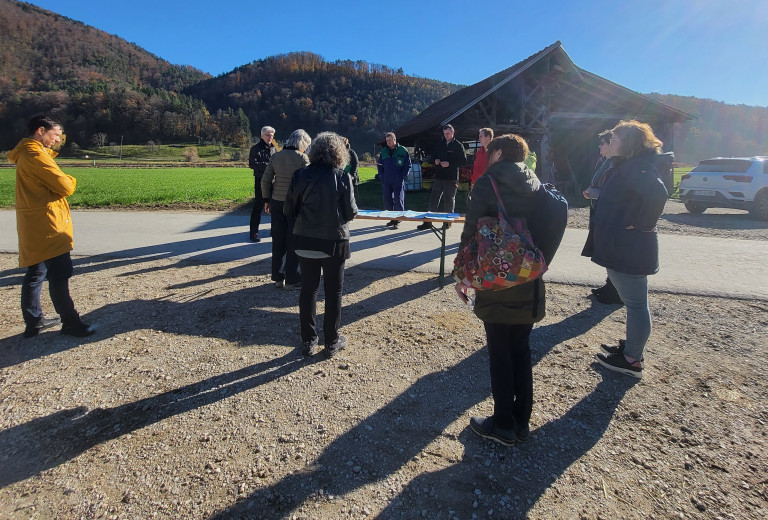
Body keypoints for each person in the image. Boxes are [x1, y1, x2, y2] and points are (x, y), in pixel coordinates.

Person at [456, 134, 551, 446]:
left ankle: (503, 425)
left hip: (496, 277)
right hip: (528, 276)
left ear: (497, 152)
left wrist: (463, 275)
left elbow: (471, 233)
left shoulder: (487, 183)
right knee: (521, 350)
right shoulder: (537, 184)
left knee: (499, 353)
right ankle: (521, 422)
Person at [592, 120, 668, 379]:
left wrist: (642, 224)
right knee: (633, 302)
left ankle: (632, 359)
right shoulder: (627, 165)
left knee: (636, 304)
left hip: (630, 247)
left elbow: (658, 195)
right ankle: (632, 350)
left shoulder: (637, 168)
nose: (609, 142)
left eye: (614, 139)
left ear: (629, 143)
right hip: (621, 245)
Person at [9, 115, 95, 338]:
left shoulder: (24, 153)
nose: (57, 140)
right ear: (40, 131)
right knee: (60, 273)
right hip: (48, 224)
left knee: (36, 272)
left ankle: (33, 322)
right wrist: (71, 178)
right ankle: (70, 322)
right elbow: (65, 186)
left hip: (32, 223)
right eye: (55, 135)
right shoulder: (36, 154)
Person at [284, 132, 358, 358]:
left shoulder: (299, 176)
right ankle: (332, 341)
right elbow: (350, 212)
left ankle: (308, 341)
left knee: (308, 290)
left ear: (313, 151)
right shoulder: (342, 177)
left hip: (305, 240)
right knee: (333, 291)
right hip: (335, 242)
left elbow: (289, 210)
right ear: (339, 153)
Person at [262, 129, 311, 289]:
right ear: (302, 143)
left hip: (276, 202)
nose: (307, 149)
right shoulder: (303, 158)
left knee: (278, 240)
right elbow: (308, 182)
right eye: (307, 145)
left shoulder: (276, 156)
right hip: (294, 205)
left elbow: (265, 180)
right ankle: (292, 279)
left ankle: (277, 277)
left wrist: (266, 200)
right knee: (293, 241)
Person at [582, 130, 623, 304]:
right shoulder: (605, 162)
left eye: (603, 143)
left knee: (613, 251)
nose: (600, 146)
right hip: (600, 210)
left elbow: (615, 192)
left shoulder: (617, 165)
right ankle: (610, 285)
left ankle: (616, 290)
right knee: (605, 249)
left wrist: (594, 193)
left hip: (609, 213)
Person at [417, 124, 466, 230]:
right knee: (433, 199)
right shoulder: (440, 144)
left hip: (451, 177)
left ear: (453, 133)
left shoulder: (458, 146)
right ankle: (428, 222)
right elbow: (433, 156)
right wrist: (435, 161)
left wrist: (449, 164)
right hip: (439, 176)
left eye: (448, 133)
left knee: (449, 200)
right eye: (444, 134)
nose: (446, 136)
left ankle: (447, 222)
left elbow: (463, 161)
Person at [377, 132, 412, 229]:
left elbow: (408, 165)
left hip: (398, 179)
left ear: (394, 140)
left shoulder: (402, 150)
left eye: (390, 140)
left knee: (398, 199)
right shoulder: (384, 151)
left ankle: (398, 219)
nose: (388, 142)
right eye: (387, 141)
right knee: (387, 200)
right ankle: (392, 219)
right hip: (387, 179)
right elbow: (380, 165)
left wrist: (403, 175)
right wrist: (381, 175)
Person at [247, 126, 276, 242]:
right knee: (258, 207)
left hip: (273, 181)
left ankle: (274, 230)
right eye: (268, 135)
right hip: (260, 181)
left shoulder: (274, 149)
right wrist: (267, 165)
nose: (270, 137)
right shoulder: (255, 149)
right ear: (262, 136)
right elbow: (252, 164)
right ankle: (254, 233)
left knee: (274, 206)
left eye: (272, 135)